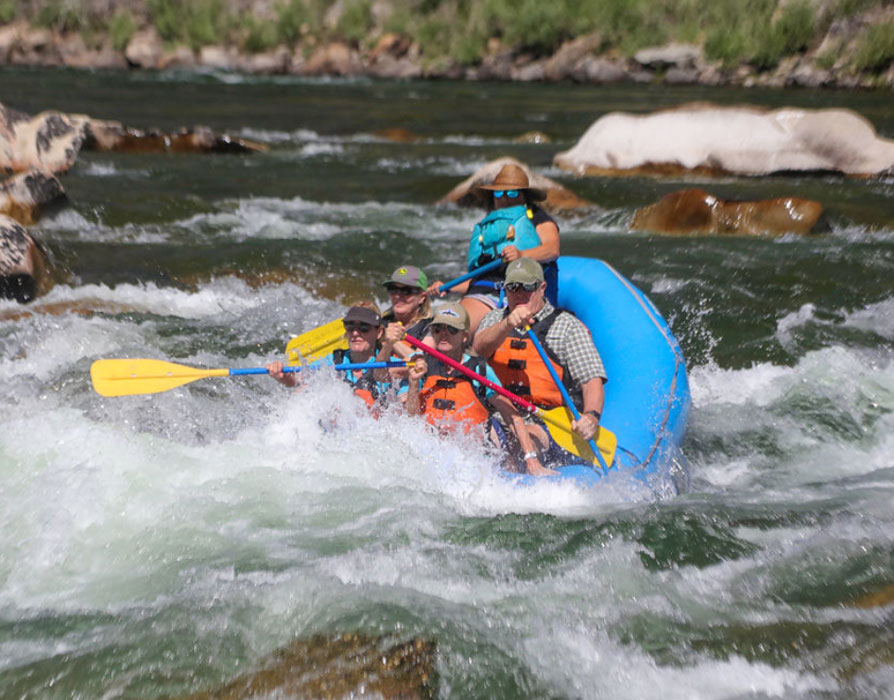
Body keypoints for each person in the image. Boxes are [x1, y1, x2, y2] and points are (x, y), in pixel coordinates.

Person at [472, 258, 606, 476]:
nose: (519, 294)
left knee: (520, 441)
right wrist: (507, 325)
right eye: (513, 288)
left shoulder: (566, 326)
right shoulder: (495, 319)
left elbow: (591, 379)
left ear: (542, 287)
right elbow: (479, 348)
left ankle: (514, 488)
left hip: (547, 422)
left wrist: (591, 416)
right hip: (500, 415)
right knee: (481, 439)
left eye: (527, 287)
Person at [429, 164, 561, 334]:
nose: (505, 199)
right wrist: (448, 287)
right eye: (499, 193)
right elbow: (480, 274)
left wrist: (521, 254)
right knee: (446, 330)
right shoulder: (489, 226)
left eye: (512, 193)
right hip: (485, 291)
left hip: (521, 292)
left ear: (524, 196)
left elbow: (552, 250)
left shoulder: (538, 219)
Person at [405, 302, 504, 446]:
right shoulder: (423, 366)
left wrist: (531, 458)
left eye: (451, 329)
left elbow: (512, 415)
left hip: (469, 456)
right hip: (428, 451)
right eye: (438, 329)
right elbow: (411, 417)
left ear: (464, 336)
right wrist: (413, 383)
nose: (443, 334)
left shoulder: (481, 370)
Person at [267, 302, 389, 410]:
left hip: (375, 428)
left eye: (364, 327)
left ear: (379, 333)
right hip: (338, 428)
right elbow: (296, 381)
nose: (355, 333)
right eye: (350, 326)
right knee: (303, 389)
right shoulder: (332, 361)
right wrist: (283, 376)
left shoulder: (392, 366)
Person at [375, 265, 435, 380]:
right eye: (393, 289)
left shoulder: (432, 328)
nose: (398, 296)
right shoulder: (379, 323)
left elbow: (419, 363)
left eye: (406, 291)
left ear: (422, 298)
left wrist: (392, 342)